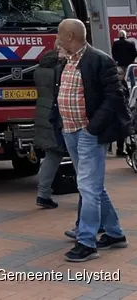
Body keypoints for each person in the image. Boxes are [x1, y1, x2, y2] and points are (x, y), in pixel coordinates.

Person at [51, 19, 131, 262]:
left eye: (60, 35)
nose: (57, 38)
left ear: (71, 36)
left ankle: (86, 242)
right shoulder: (68, 60)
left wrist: (92, 128)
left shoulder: (99, 59)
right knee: (93, 185)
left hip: (88, 133)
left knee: (87, 186)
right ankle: (115, 234)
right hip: (70, 130)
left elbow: (113, 96)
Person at [34, 45, 68, 209]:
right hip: (59, 117)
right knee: (80, 157)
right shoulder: (60, 70)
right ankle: (87, 197)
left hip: (43, 115)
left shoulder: (40, 70)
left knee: (51, 156)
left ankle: (43, 194)